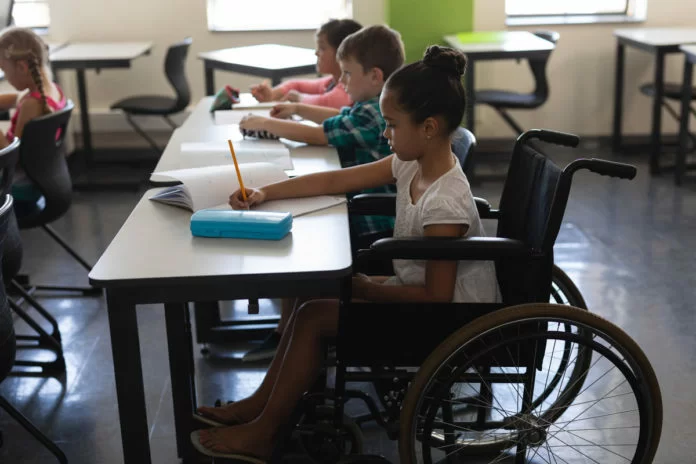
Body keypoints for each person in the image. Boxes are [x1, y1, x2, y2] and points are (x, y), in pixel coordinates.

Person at [192, 45, 501, 461]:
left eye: (391, 125)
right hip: (418, 293)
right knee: (309, 300)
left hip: (450, 321)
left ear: (428, 127)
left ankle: (264, 432)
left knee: (316, 313)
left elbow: (436, 298)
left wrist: (366, 289)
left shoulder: (445, 203)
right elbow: (337, 180)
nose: (384, 135)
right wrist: (267, 192)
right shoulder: (411, 163)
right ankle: (261, 406)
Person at [240, 24, 405, 362]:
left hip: (374, 228)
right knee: (300, 221)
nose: (341, 82)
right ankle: (287, 333)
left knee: (299, 240)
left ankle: (292, 337)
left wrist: (268, 123)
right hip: (364, 213)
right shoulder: (373, 106)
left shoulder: (375, 113)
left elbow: (323, 135)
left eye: (346, 74)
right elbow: (337, 118)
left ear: (375, 76)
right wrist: (296, 109)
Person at [0, 27, 67, 214]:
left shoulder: (32, 104)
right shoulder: (50, 91)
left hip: (19, 188)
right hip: (40, 180)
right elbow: (16, 99)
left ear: (21, 67)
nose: (4, 75)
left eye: (3, 69)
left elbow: (12, 159)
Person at [250, 18, 362, 109]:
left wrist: (299, 98)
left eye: (322, 48)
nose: (316, 53)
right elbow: (295, 85)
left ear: (341, 52)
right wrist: (272, 95)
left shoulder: (351, 88)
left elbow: (327, 102)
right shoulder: (330, 82)